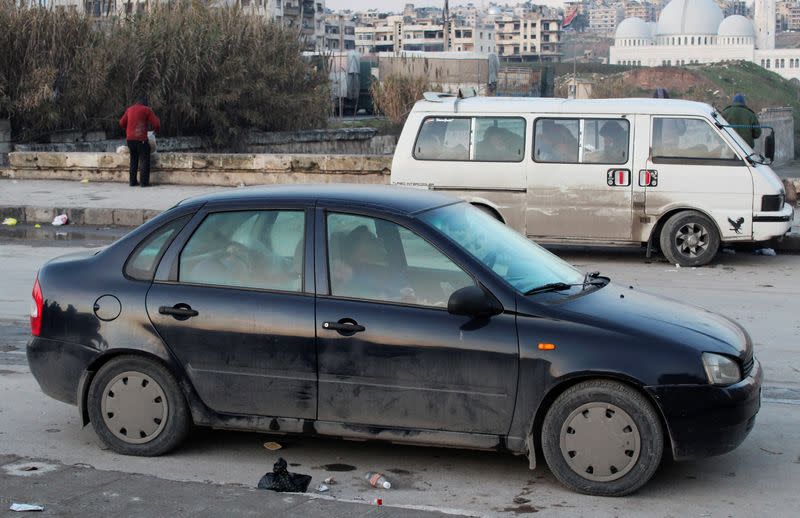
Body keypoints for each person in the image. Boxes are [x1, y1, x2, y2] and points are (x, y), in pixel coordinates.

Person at [119, 97, 160, 187]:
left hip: (130, 140)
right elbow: (156, 123)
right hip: (141, 139)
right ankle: (144, 183)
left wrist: (129, 129)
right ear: (146, 104)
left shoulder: (129, 109)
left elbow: (121, 123)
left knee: (133, 160)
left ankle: (132, 182)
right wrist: (156, 130)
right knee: (144, 159)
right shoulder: (147, 110)